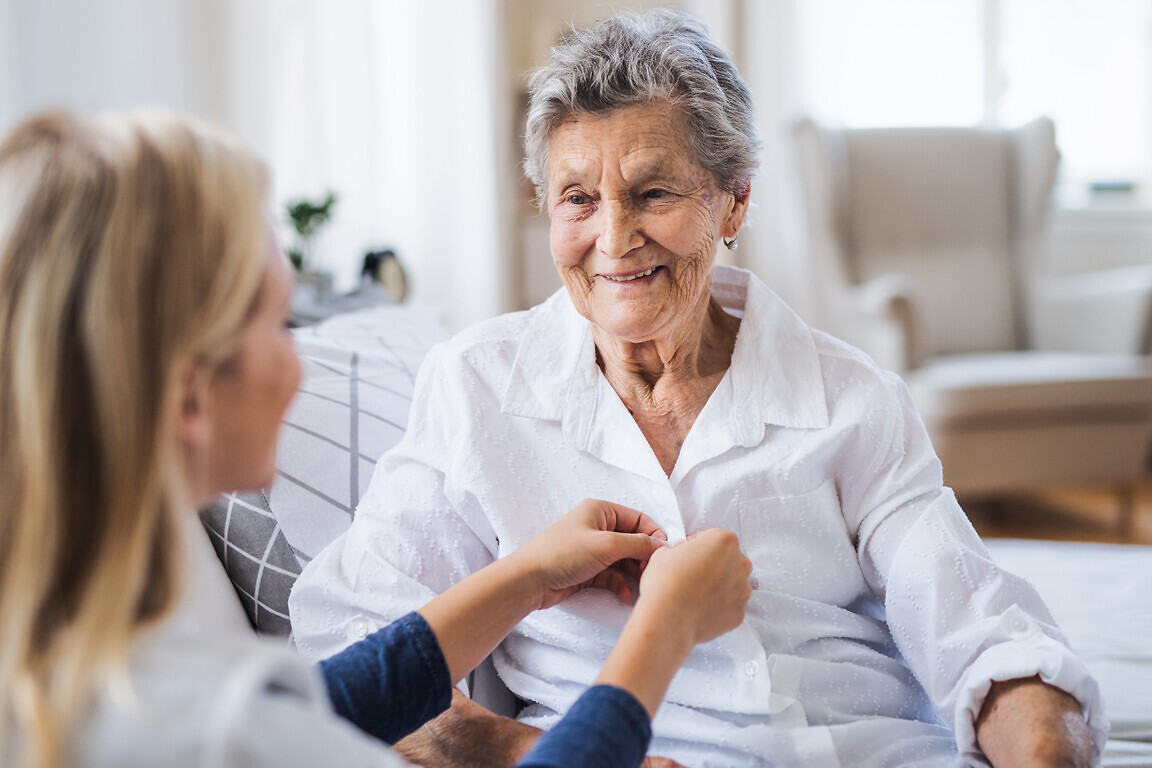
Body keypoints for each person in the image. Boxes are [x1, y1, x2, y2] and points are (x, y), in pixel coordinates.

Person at [289, 9, 1107, 768]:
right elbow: (353, 641)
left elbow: (988, 643)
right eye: (578, 198)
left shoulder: (853, 399)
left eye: (653, 192)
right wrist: (514, 748)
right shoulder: (475, 388)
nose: (614, 239)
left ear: (733, 200)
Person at [0, 108, 754, 768]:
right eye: (276, 324)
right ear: (192, 395)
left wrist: (524, 577)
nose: (301, 363)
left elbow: (327, 704)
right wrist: (665, 628)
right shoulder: (210, 734)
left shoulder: (93, 666)